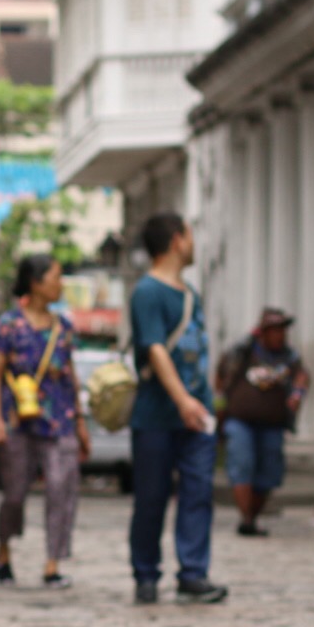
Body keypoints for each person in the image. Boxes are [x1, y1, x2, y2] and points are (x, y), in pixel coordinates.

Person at [128, 213, 228, 606]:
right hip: (157, 415)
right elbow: (154, 347)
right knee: (151, 497)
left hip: (198, 415)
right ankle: (146, 573)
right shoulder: (148, 292)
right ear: (176, 241)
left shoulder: (190, 294)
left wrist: (200, 402)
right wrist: (182, 399)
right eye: (189, 235)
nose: (193, 242)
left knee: (199, 493)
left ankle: (193, 573)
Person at [0, 253, 90, 589]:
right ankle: (4, 550)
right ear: (36, 282)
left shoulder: (63, 327)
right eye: (56, 277)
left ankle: (52, 563)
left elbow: (70, 376)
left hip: (59, 421)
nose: (61, 284)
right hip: (18, 420)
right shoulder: (8, 325)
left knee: (61, 489)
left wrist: (81, 422)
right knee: (14, 494)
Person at [216, 307, 309, 537]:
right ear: (263, 332)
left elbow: (302, 376)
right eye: (275, 330)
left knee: (269, 473)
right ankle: (246, 518)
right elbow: (221, 376)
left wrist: (297, 395)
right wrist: (219, 409)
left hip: (272, 424)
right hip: (240, 421)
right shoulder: (243, 352)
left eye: (283, 330)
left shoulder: (289, 357)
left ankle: (253, 517)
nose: (280, 335)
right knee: (242, 465)